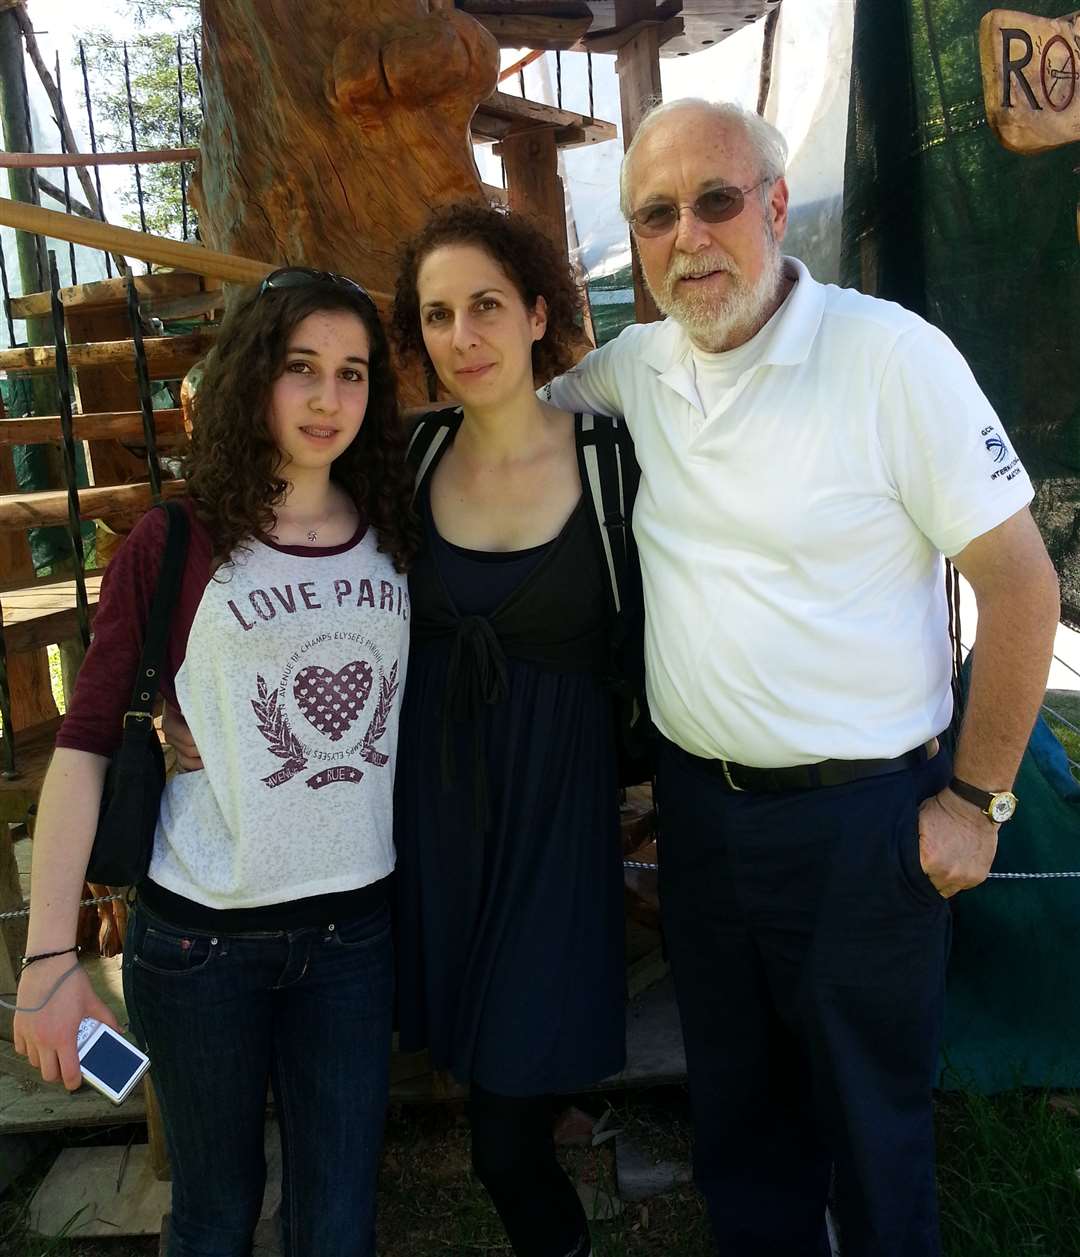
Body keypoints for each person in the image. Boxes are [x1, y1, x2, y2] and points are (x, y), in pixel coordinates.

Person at [542, 98, 1060, 1257]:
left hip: (866, 826)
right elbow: (508, 426)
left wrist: (976, 805)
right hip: (701, 819)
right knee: (740, 1116)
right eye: (656, 215)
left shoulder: (892, 359)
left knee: (873, 1132)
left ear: (774, 206)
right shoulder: (638, 363)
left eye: (717, 200)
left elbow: (1023, 589)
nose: (690, 237)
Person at [13, 268, 418, 1257]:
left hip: (356, 937)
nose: (330, 400)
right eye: (301, 369)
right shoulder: (179, 541)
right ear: (250, 377)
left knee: (339, 1219)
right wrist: (49, 958)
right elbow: (84, 741)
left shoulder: (398, 531)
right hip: (202, 946)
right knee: (211, 1214)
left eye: (354, 373)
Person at [388, 203, 635, 1257]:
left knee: (501, 1136)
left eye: (486, 305)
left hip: (557, 815)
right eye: (438, 315)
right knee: (483, 1069)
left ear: (539, 312)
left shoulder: (610, 456)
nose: (463, 337)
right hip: (438, 817)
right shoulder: (407, 455)